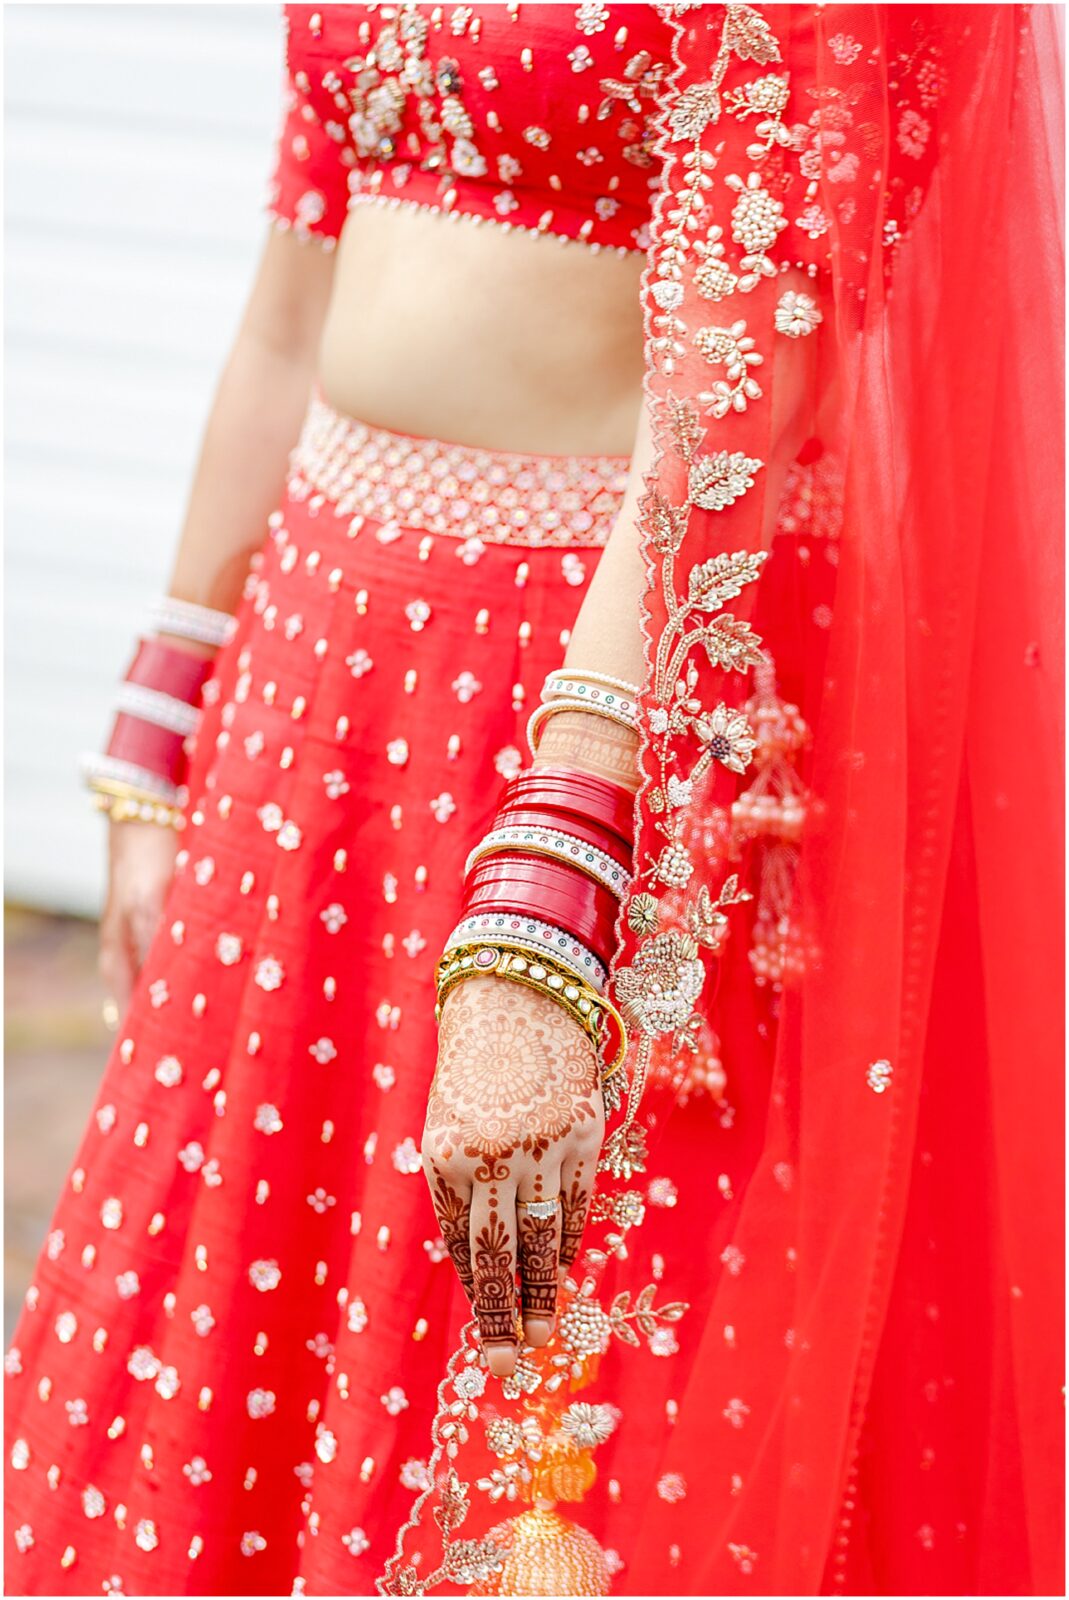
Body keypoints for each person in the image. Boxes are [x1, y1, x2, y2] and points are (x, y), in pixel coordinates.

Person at [5, 5, 1063, 1597]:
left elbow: (739, 376)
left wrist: (569, 839)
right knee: (242, 1322)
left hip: (603, 696)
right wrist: (166, 711)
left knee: (540, 1385)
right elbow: (293, 299)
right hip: (319, 682)